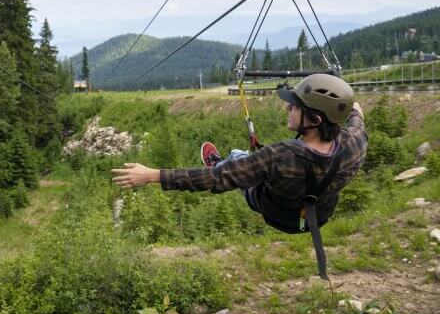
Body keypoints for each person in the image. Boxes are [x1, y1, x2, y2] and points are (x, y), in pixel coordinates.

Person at [111, 74, 366, 279]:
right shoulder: (354, 144)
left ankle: (221, 161)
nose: (288, 107)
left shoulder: (277, 157)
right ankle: (231, 161)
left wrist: (153, 175)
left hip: (274, 210)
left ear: (314, 119)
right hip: (316, 217)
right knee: (246, 160)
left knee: (236, 158)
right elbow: (358, 120)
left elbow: (214, 180)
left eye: (295, 105)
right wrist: (352, 108)